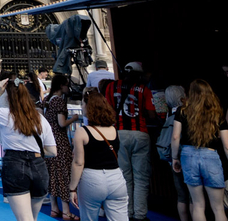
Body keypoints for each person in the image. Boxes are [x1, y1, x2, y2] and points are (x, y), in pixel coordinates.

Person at [0, 77, 58, 221]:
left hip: (15, 164)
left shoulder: (5, 114)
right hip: (38, 166)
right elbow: (53, 151)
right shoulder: (40, 119)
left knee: (25, 219)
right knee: (32, 218)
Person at [172, 80, 228, 221]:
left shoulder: (182, 111)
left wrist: (175, 158)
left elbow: (175, 136)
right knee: (218, 209)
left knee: (198, 205)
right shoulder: (217, 114)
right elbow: (227, 146)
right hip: (211, 156)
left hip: (188, 155)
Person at [102, 62, 160, 221]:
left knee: (125, 177)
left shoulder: (111, 87)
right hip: (140, 133)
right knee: (141, 178)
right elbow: (152, 114)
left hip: (119, 134)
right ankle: (140, 215)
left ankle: (126, 213)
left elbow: (107, 111)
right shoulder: (144, 90)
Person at [69, 91, 128, 221]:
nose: (82, 106)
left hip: (92, 178)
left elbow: (78, 163)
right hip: (116, 177)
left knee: (89, 217)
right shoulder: (114, 130)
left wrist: (72, 188)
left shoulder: (82, 132)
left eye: (83, 104)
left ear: (89, 107)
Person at [46, 73, 80, 220]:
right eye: (66, 84)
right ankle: (66, 211)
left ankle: (54, 208)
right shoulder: (59, 101)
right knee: (64, 173)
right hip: (60, 140)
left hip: (49, 141)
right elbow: (61, 123)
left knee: (52, 173)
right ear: (61, 85)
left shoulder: (46, 100)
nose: (68, 88)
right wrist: (73, 118)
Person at [161, 85, 192, 221]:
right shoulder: (186, 114)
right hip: (187, 156)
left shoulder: (168, 116)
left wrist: (173, 157)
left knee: (181, 196)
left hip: (173, 160)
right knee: (193, 197)